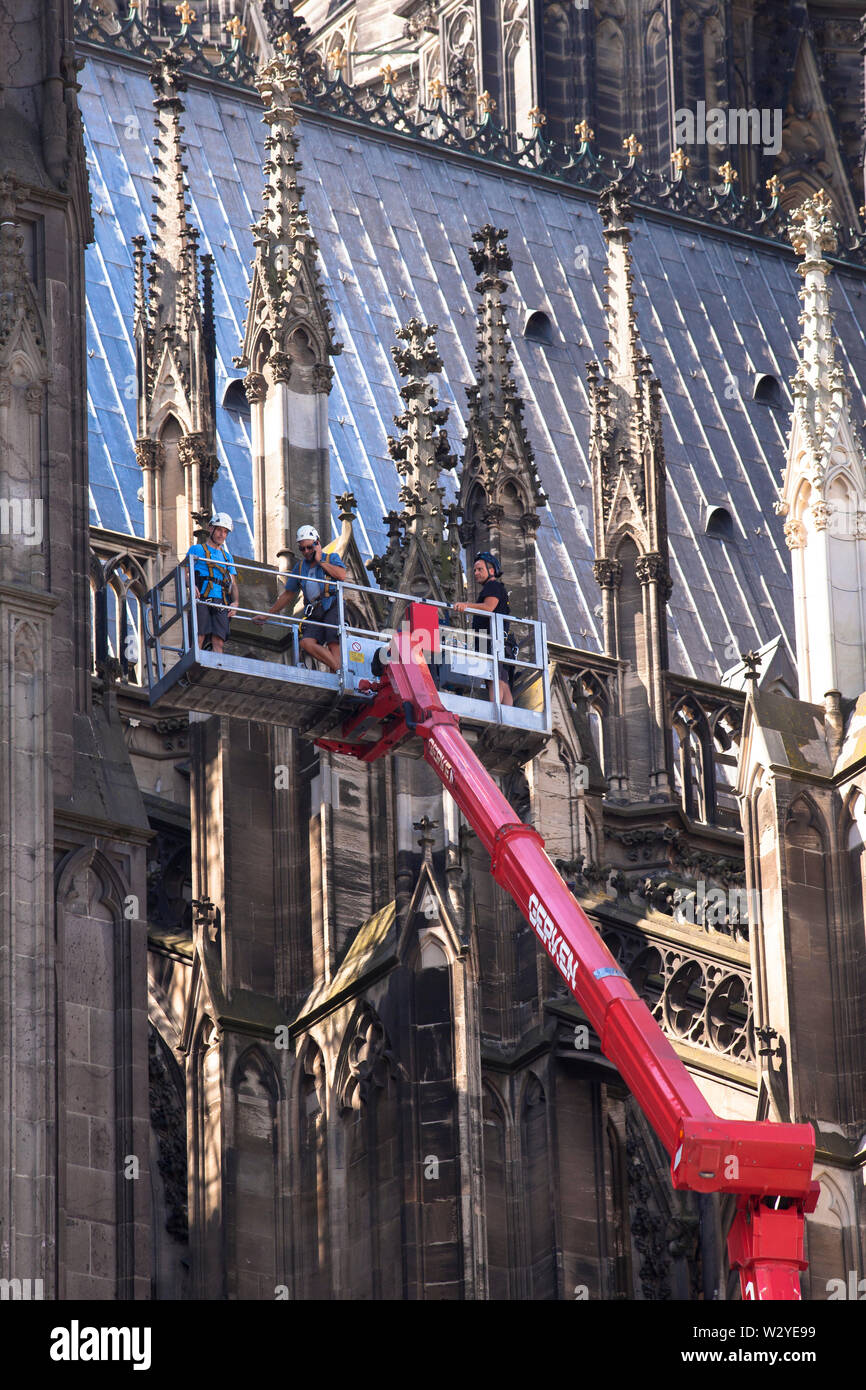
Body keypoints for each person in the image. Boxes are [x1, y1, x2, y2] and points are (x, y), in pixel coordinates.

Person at [256, 525, 346, 673]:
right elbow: (288, 594)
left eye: (309, 547)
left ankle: (337, 674)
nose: (306, 552)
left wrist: (320, 561)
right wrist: (267, 615)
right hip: (314, 611)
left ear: (317, 544)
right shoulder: (299, 567)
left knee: (333, 642)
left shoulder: (331, 558)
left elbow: (341, 575)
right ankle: (340, 671)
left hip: (332, 605)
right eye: (302, 549)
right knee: (306, 642)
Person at [453, 551, 514, 706]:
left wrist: (466, 606)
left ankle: (497, 714)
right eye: (474, 570)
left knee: (493, 678)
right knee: (502, 680)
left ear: (491, 570)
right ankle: (507, 715)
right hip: (500, 642)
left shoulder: (492, 585)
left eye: (480, 569)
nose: (476, 573)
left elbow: (488, 607)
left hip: (492, 642)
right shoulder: (496, 587)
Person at [186, 513, 238, 655]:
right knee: (199, 635)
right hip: (202, 597)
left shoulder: (228, 557)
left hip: (220, 600)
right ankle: (191, 670)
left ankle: (216, 669)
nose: (222, 534)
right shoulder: (196, 550)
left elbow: (233, 582)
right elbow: (183, 572)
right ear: (211, 529)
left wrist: (236, 602)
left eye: (225, 531)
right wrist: (191, 584)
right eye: (220, 530)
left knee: (219, 640)